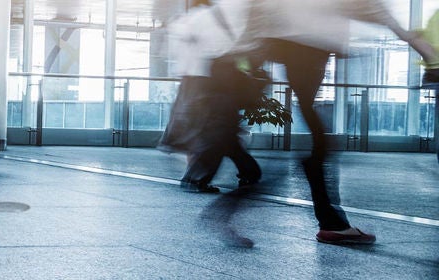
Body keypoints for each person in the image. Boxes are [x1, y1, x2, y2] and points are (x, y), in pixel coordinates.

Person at [230, 0, 439, 245]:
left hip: (285, 45)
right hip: (311, 47)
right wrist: (405, 34)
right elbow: (366, 6)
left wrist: (245, 48)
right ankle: (330, 220)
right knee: (321, 141)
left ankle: (329, 217)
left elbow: (260, 9)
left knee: (318, 135)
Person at [159, 0, 259, 194]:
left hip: (201, 81)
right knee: (222, 131)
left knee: (220, 131)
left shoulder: (193, 19)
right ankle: (245, 172)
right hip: (215, 80)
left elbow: (177, 46)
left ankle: (203, 177)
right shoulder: (217, 16)